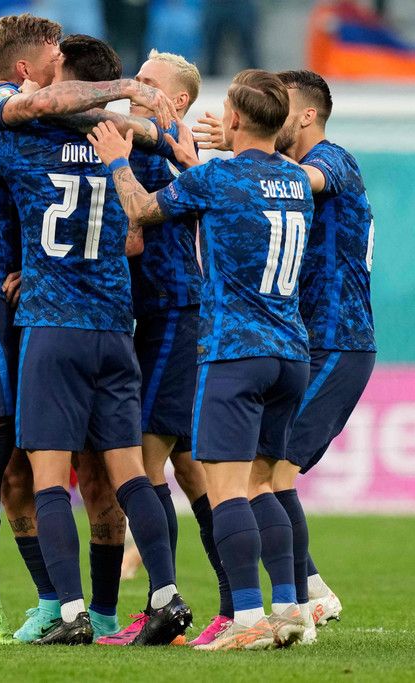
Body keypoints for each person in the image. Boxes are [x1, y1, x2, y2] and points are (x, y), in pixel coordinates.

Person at [0, 14, 177, 644]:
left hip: (50, 322)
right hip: (111, 324)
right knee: (131, 474)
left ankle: (72, 612)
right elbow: (139, 231)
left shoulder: (21, 145)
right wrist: (155, 129)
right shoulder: (114, 141)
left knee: (46, 472)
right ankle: (166, 597)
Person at [89, 68, 314, 651]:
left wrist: (118, 161)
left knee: (228, 489)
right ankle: (290, 608)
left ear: (233, 119)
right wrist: (193, 163)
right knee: (264, 485)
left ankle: (246, 619)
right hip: (291, 351)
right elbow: (236, 206)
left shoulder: (216, 177)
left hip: (235, 352)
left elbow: (141, 209)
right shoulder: (295, 179)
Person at [271, 69, 376, 639]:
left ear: (308, 115)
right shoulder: (290, 169)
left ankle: (297, 603)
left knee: (272, 473)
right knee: (265, 470)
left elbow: (307, 179)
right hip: (306, 342)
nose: (270, 115)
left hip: (339, 341)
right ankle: (310, 591)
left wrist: (248, 154)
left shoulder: (334, 160)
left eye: (279, 107)